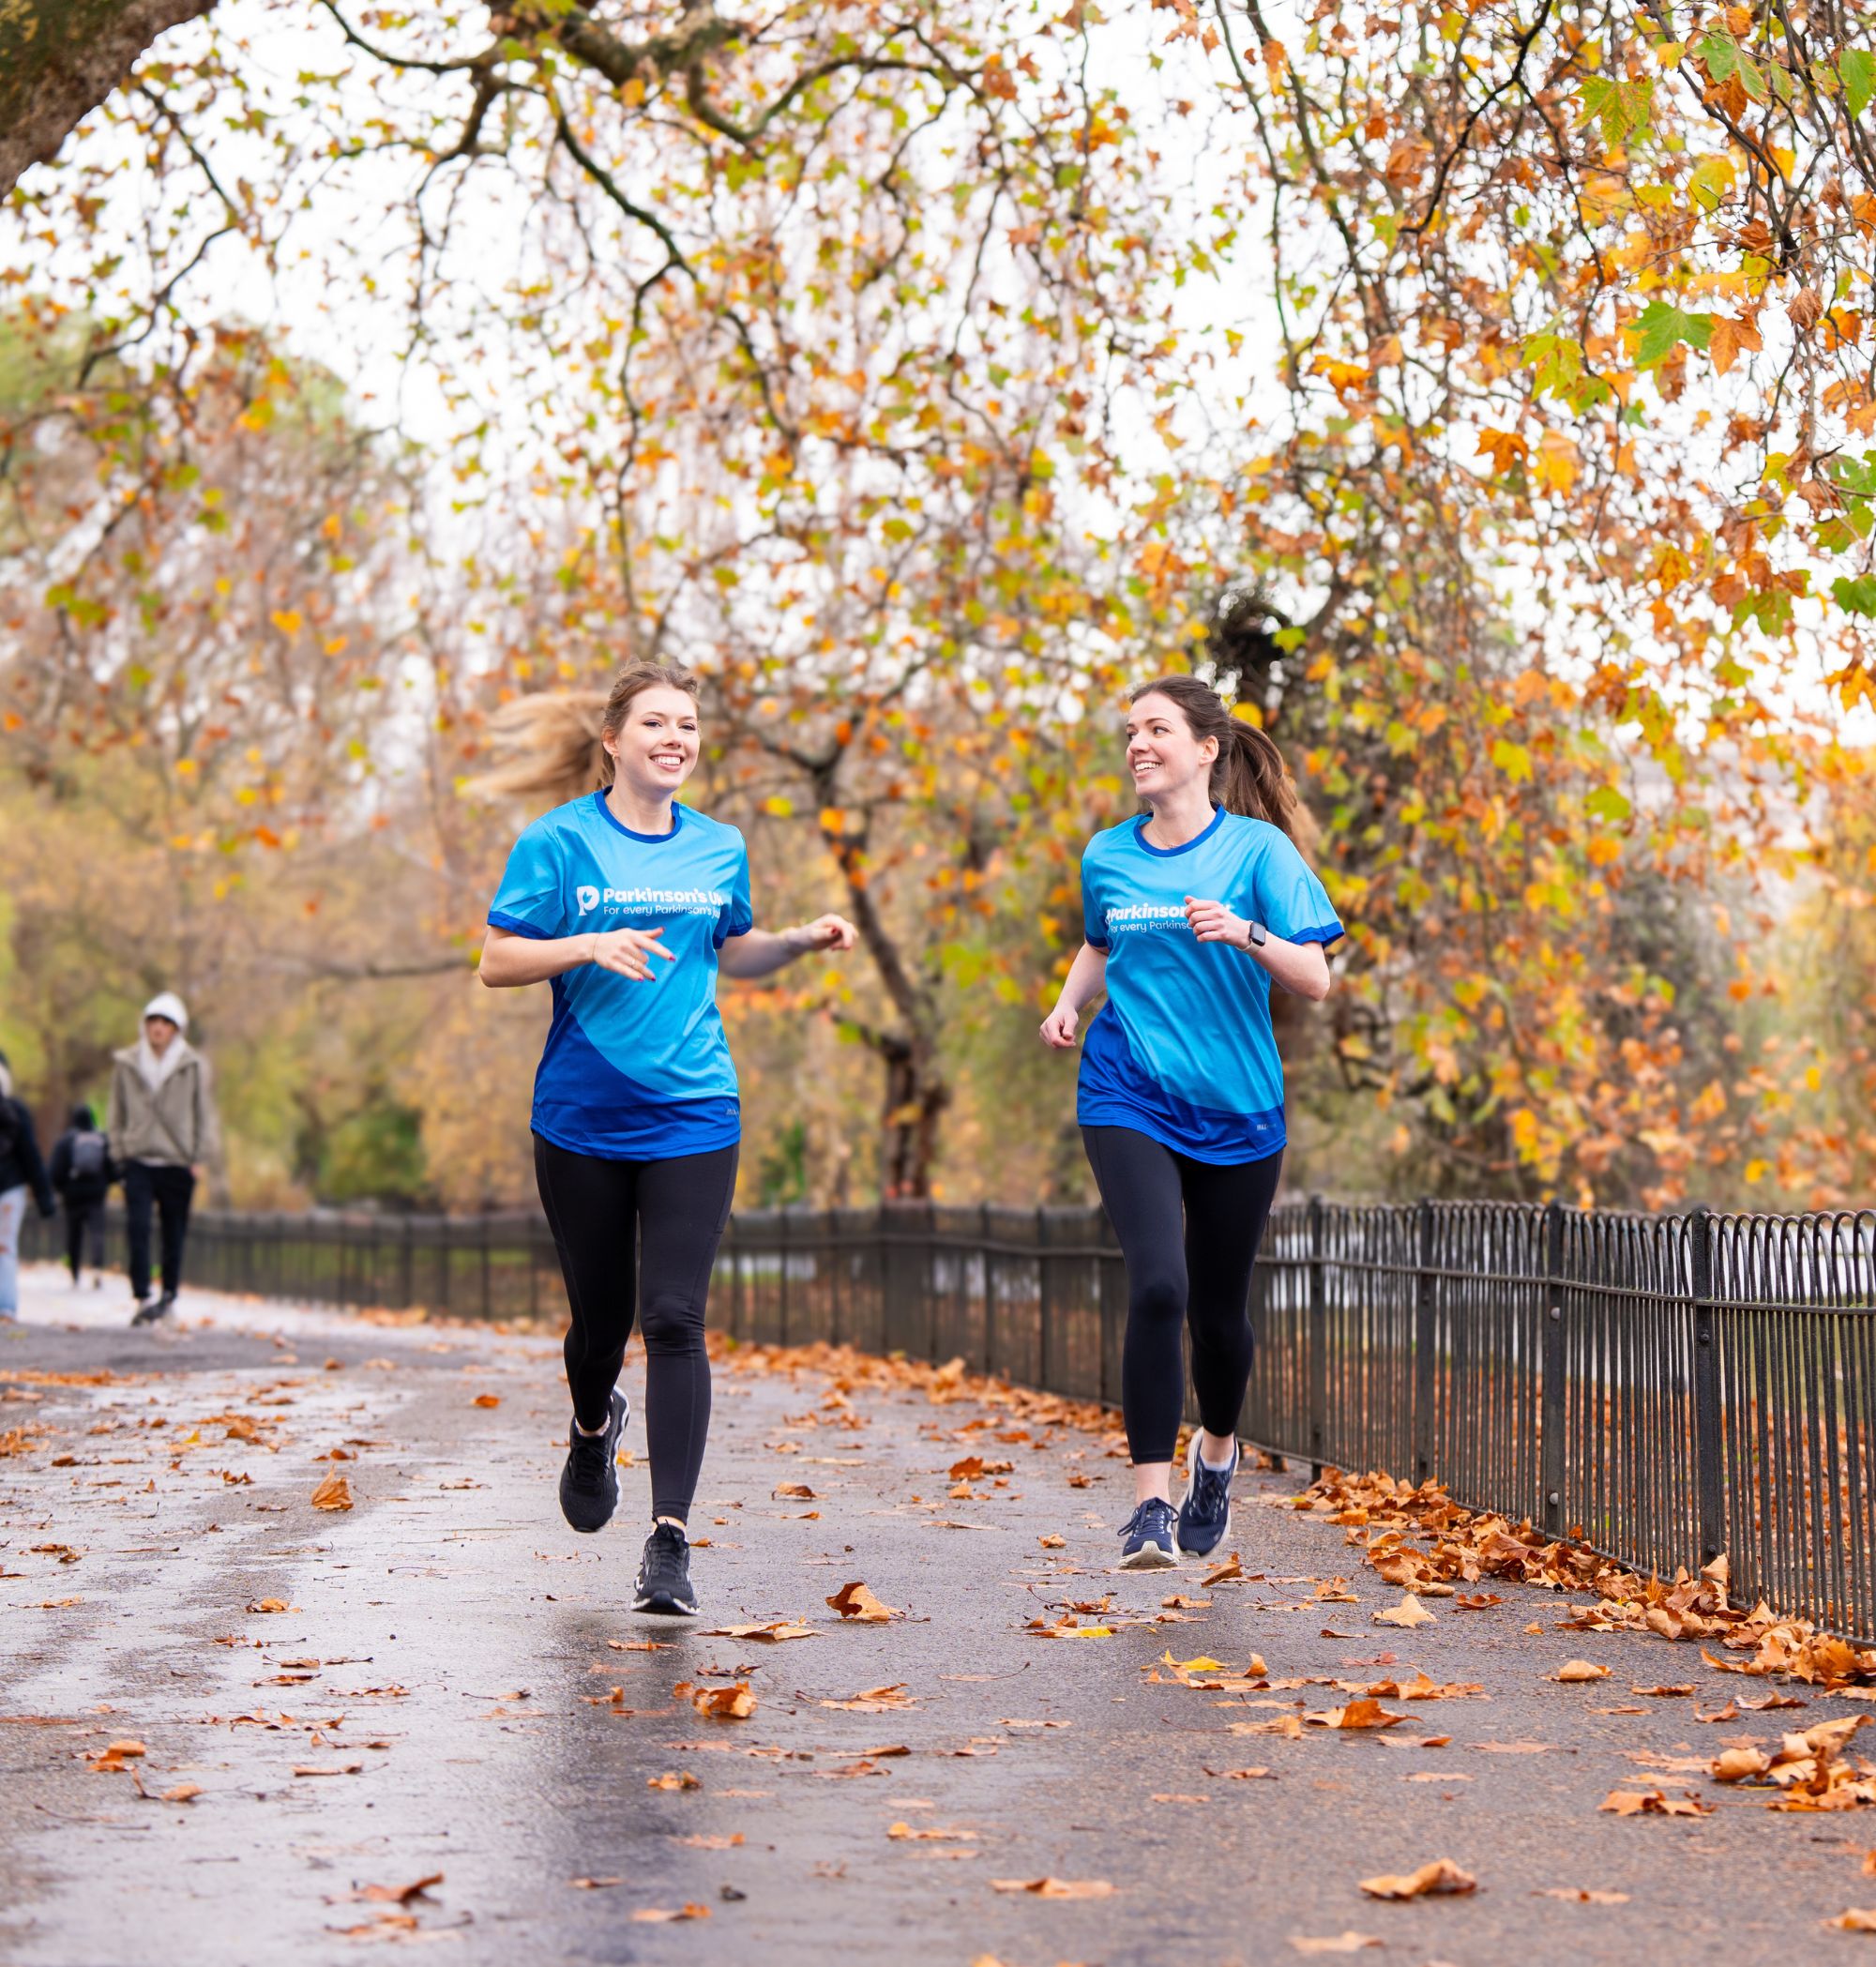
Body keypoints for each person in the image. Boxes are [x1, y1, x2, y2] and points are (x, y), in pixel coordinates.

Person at [479, 660, 856, 1618]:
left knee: (675, 1320)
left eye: (687, 725)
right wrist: (584, 945)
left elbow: (734, 950)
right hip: (580, 1117)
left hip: (694, 1109)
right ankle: (589, 1421)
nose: (674, 738)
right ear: (612, 740)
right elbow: (495, 959)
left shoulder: (718, 847)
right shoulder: (558, 842)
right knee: (599, 1325)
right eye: (655, 722)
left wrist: (798, 942)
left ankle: (669, 1543)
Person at [1040, 674, 1344, 1569]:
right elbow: (1102, 941)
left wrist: (1247, 933)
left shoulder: (1259, 853)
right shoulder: (1109, 854)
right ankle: (1148, 1505)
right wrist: (1068, 1007)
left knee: (1218, 1315)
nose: (1138, 743)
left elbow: (1317, 978)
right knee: (1158, 1286)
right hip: (1127, 1088)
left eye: (1157, 729)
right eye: (1131, 730)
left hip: (1238, 1106)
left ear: (1206, 749)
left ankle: (1216, 1449)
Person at [106, 991, 223, 1326]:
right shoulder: (127, 1063)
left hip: (177, 1161)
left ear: (176, 1029)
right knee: (137, 1227)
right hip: (138, 1158)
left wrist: (198, 1157)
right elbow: (116, 1111)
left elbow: (204, 1113)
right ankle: (142, 1295)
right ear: (144, 1025)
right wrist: (118, 1152)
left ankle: (169, 1294)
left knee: (174, 1231)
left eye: (165, 1023)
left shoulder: (193, 1065)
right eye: (153, 1022)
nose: (158, 1028)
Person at [0, 1055, 56, 1326]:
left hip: (10, 1188)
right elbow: (31, 1155)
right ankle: (6, 1310)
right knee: (6, 1248)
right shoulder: (16, 1111)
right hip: (11, 1189)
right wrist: (45, 1197)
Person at [50, 1103, 115, 1290]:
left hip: (73, 1195)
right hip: (96, 1194)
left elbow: (55, 1171)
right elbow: (112, 1168)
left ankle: (75, 1273)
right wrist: (104, 1183)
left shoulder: (66, 1141)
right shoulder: (101, 1139)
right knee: (97, 1232)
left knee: (74, 1234)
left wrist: (63, 1188)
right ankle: (96, 1268)